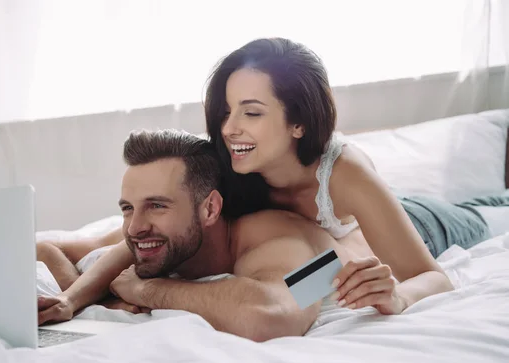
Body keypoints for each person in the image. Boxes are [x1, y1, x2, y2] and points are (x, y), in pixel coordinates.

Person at [203, 37, 509, 315]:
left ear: (299, 123)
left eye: (251, 113)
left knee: (492, 214)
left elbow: (435, 279)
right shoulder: (225, 172)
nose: (229, 129)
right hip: (373, 223)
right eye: (226, 112)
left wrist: (398, 297)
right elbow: (307, 279)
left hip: (427, 224)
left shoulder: (345, 173)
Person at [37, 129, 359, 342]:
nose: (135, 227)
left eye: (157, 205)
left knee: (354, 166)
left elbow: (271, 318)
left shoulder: (288, 246)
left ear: (210, 209)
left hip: (363, 238)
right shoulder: (158, 234)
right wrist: (71, 300)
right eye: (127, 208)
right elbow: (45, 248)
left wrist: (146, 291)